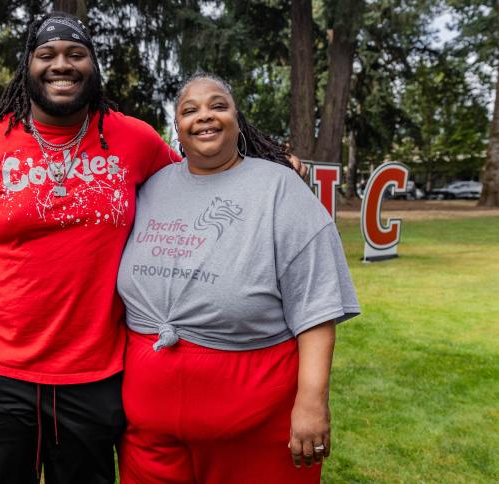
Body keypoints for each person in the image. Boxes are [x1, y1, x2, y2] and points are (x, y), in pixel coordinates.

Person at [0, 11, 183, 483]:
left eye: (75, 54)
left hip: (97, 373)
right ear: (28, 67)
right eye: (47, 54)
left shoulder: (134, 139)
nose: (61, 64)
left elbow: (195, 179)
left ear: (93, 67)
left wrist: (266, 160)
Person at [115, 74, 361, 483]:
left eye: (218, 105)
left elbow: (316, 309)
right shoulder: (152, 187)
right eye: (189, 110)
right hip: (149, 436)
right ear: (176, 128)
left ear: (237, 119)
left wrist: (311, 403)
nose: (204, 116)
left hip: (256, 428)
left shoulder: (279, 188)